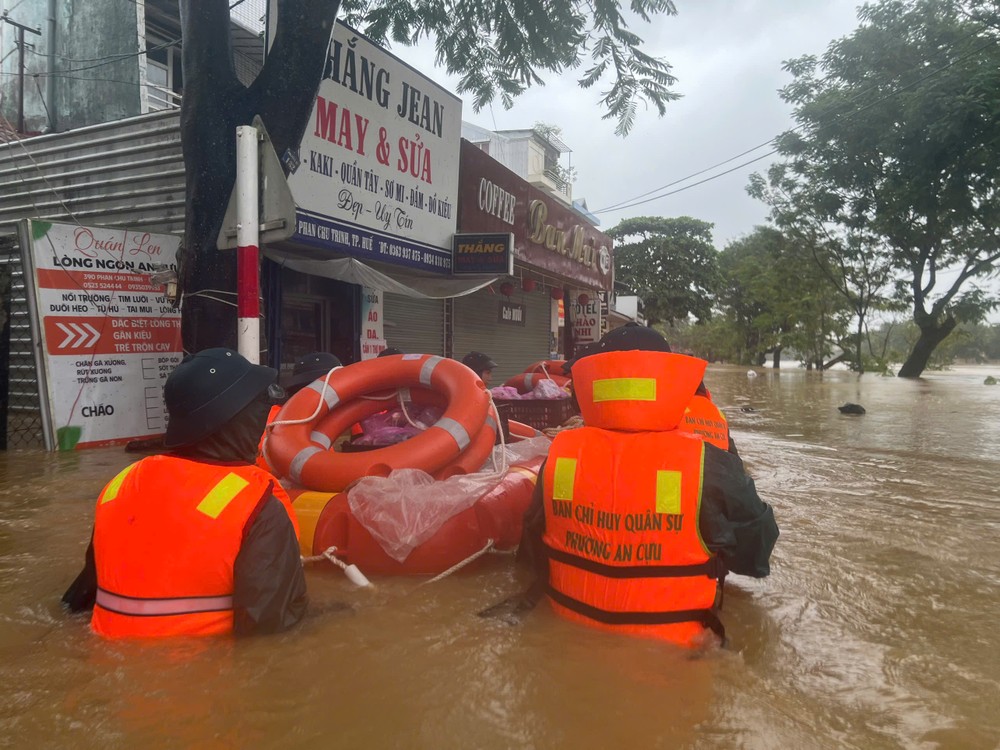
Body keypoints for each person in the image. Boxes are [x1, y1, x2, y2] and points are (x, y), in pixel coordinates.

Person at [483, 325, 778, 648]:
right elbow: (755, 555)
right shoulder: (709, 460)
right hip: (674, 655)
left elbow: (532, 546)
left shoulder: (563, 452)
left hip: (567, 630)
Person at [62, 348, 308, 638]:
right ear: (240, 415)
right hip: (202, 668)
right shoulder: (257, 504)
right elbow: (270, 627)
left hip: (103, 659)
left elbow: (82, 596)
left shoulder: (122, 483)